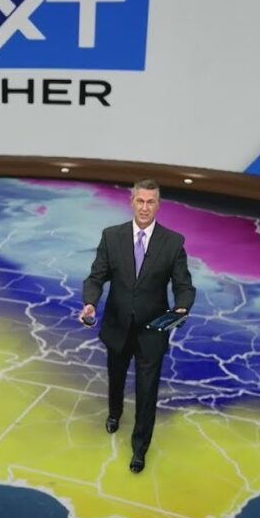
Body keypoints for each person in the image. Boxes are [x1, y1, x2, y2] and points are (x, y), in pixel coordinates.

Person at [80, 179, 196, 474]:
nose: (145, 207)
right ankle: (114, 413)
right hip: (118, 325)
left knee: (147, 392)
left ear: (158, 205)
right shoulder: (112, 236)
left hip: (152, 331)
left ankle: (139, 448)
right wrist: (90, 302)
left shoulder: (173, 243)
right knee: (116, 378)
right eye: (140, 201)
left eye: (150, 202)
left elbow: (183, 286)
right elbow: (96, 277)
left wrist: (182, 307)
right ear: (132, 202)